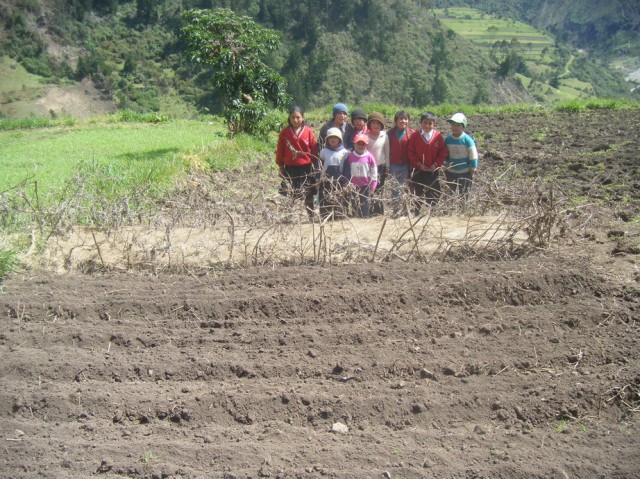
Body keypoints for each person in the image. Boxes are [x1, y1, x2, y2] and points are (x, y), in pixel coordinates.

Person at [275, 105, 319, 219]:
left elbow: (313, 149)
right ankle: (288, 217)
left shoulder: (308, 132)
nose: (295, 120)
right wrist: (280, 166)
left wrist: (315, 164)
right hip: (290, 168)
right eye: (293, 117)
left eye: (298, 117)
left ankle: (311, 216)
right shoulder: (284, 133)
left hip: (306, 168)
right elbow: (280, 150)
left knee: (308, 194)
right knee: (290, 194)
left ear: (303, 118)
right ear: (289, 118)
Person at [407, 111, 447, 215]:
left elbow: (442, 152)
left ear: (434, 124)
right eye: (425, 122)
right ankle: (417, 212)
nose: (427, 125)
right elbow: (411, 153)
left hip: (432, 171)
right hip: (418, 170)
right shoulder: (415, 136)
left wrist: (435, 165)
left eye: (430, 123)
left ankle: (432, 212)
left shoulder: (438, 136)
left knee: (433, 192)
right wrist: (419, 165)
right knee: (418, 192)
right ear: (420, 123)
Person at [317, 127, 349, 220]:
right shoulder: (324, 152)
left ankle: (338, 217)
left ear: (339, 139)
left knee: (339, 200)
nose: (333, 139)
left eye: (335, 137)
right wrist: (318, 179)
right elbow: (319, 166)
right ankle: (325, 217)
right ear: (327, 140)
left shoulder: (344, 152)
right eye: (330, 137)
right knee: (325, 199)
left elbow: (347, 168)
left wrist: (346, 180)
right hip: (326, 181)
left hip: (339, 182)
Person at [387, 110, 415, 215]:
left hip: (406, 165)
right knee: (395, 188)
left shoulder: (412, 134)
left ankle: (406, 210)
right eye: (401, 119)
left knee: (406, 187)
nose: (403, 121)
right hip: (394, 164)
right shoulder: (390, 134)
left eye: (405, 119)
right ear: (395, 121)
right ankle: (396, 210)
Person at [343, 134, 378, 218]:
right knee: (354, 202)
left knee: (364, 203)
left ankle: (364, 218)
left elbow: (374, 171)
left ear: (366, 145)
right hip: (353, 186)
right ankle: (355, 217)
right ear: (354, 144)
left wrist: (373, 184)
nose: (360, 146)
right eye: (358, 143)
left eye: (363, 144)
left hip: (365, 185)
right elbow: (346, 171)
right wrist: (346, 182)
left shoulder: (369, 156)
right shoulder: (350, 156)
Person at [445, 113, 478, 197]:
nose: (455, 127)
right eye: (453, 125)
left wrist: (473, 168)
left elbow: (473, 155)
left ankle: (463, 209)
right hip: (451, 171)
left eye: (458, 125)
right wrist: (445, 164)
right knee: (450, 193)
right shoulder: (447, 139)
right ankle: (451, 208)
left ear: (463, 126)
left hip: (465, 172)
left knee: (464, 194)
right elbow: (444, 153)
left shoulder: (467, 140)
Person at [365, 111, 389, 215]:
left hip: (381, 166)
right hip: (368, 168)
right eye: (373, 123)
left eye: (378, 123)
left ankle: (379, 211)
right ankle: (369, 211)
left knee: (380, 189)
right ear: (369, 124)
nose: (376, 125)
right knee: (370, 189)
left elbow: (387, 152)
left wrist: (387, 166)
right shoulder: (365, 136)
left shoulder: (384, 136)